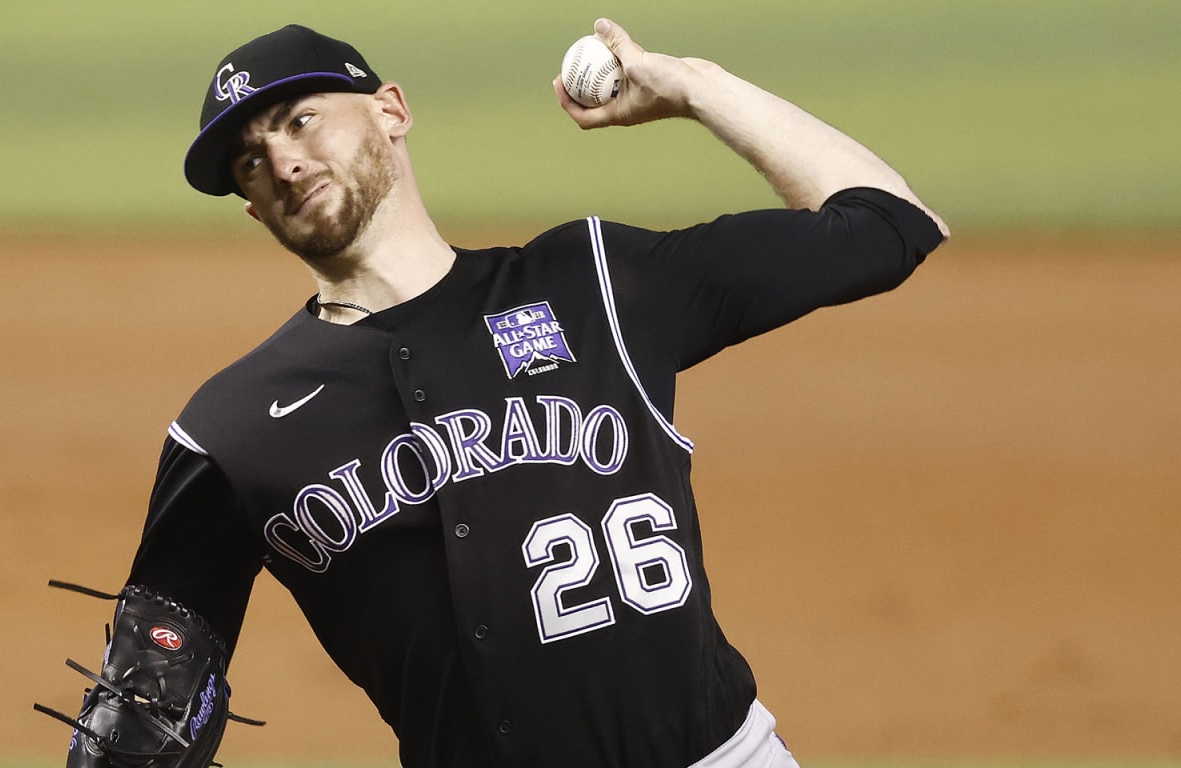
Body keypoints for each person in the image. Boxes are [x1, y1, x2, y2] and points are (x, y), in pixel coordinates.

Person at [100, 18, 946, 768]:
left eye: (300, 119)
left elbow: (887, 226)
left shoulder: (596, 284)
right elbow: (148, 697)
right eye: (250, 159)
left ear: (391, 110)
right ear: (251, 207)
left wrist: (695, 85)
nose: (281, 160)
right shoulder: (232, 429)